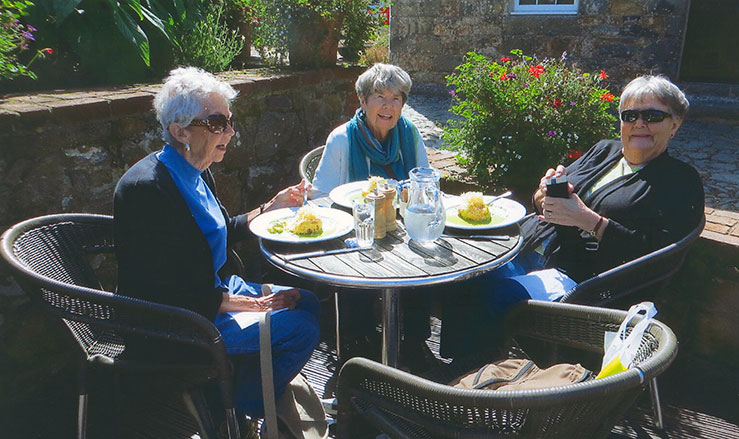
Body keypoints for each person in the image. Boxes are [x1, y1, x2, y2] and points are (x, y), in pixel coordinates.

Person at [440, 75, 705, 358]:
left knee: (492, 297)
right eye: (630, 115)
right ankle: (448, 361)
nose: (639, 123)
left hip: (578, 277)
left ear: (674, 124)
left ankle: (469, 379)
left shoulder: (680, 182)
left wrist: (589, 221)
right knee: (458, 275)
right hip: (528, 244)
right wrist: (543, 195)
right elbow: (555, 197)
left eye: (653, 116)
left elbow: (660, 255)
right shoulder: (605, 150)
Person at [113, 66, 320, 420]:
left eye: (229, 120)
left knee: (309, 301)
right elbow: (161, 291)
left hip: (213, 293)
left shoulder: (194, 169)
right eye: (216, 123)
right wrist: (254, 306)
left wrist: (275, 204)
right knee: (303, 326)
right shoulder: (149, 190)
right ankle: (241, 410)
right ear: (179, 132)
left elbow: (225, 228)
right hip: (178, 323)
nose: (230, 131)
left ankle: (243, 387)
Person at [311, 63, 437, 372]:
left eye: (397, 98)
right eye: (380, 96)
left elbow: (424, 182)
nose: (389, 105)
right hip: (356, 234)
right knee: (357, 269)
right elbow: (319, 199)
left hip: (401, 230)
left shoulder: (409, 133)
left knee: (425, 260)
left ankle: (414, 343)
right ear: (363, 101)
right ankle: (357, 350)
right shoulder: (342, 139)